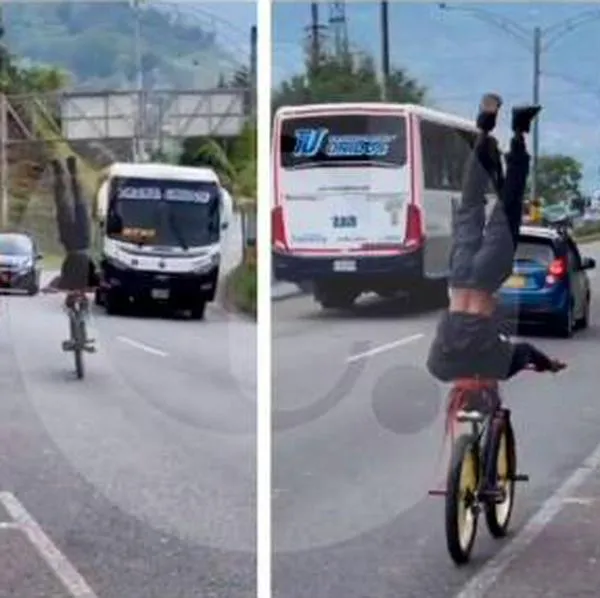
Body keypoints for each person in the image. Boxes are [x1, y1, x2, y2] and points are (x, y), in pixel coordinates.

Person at [426, 94, 566, 385]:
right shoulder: (442, 361)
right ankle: (484, 130)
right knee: (469, 206)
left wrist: (547, 364)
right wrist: (547, 365)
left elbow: (526, 352)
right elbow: (435, 368)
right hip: (459, 275)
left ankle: (518, 132)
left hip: (487, 276)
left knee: (508, 207)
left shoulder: (492, 359)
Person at [43, 156, 100, 352]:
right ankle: (65, 170)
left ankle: (64, 171)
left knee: (72, 204)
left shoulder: (73, 272)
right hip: (77, 244)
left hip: (76, 244)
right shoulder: (83, 271)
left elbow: (59, 280)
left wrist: (50, 287)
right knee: (71, 204)